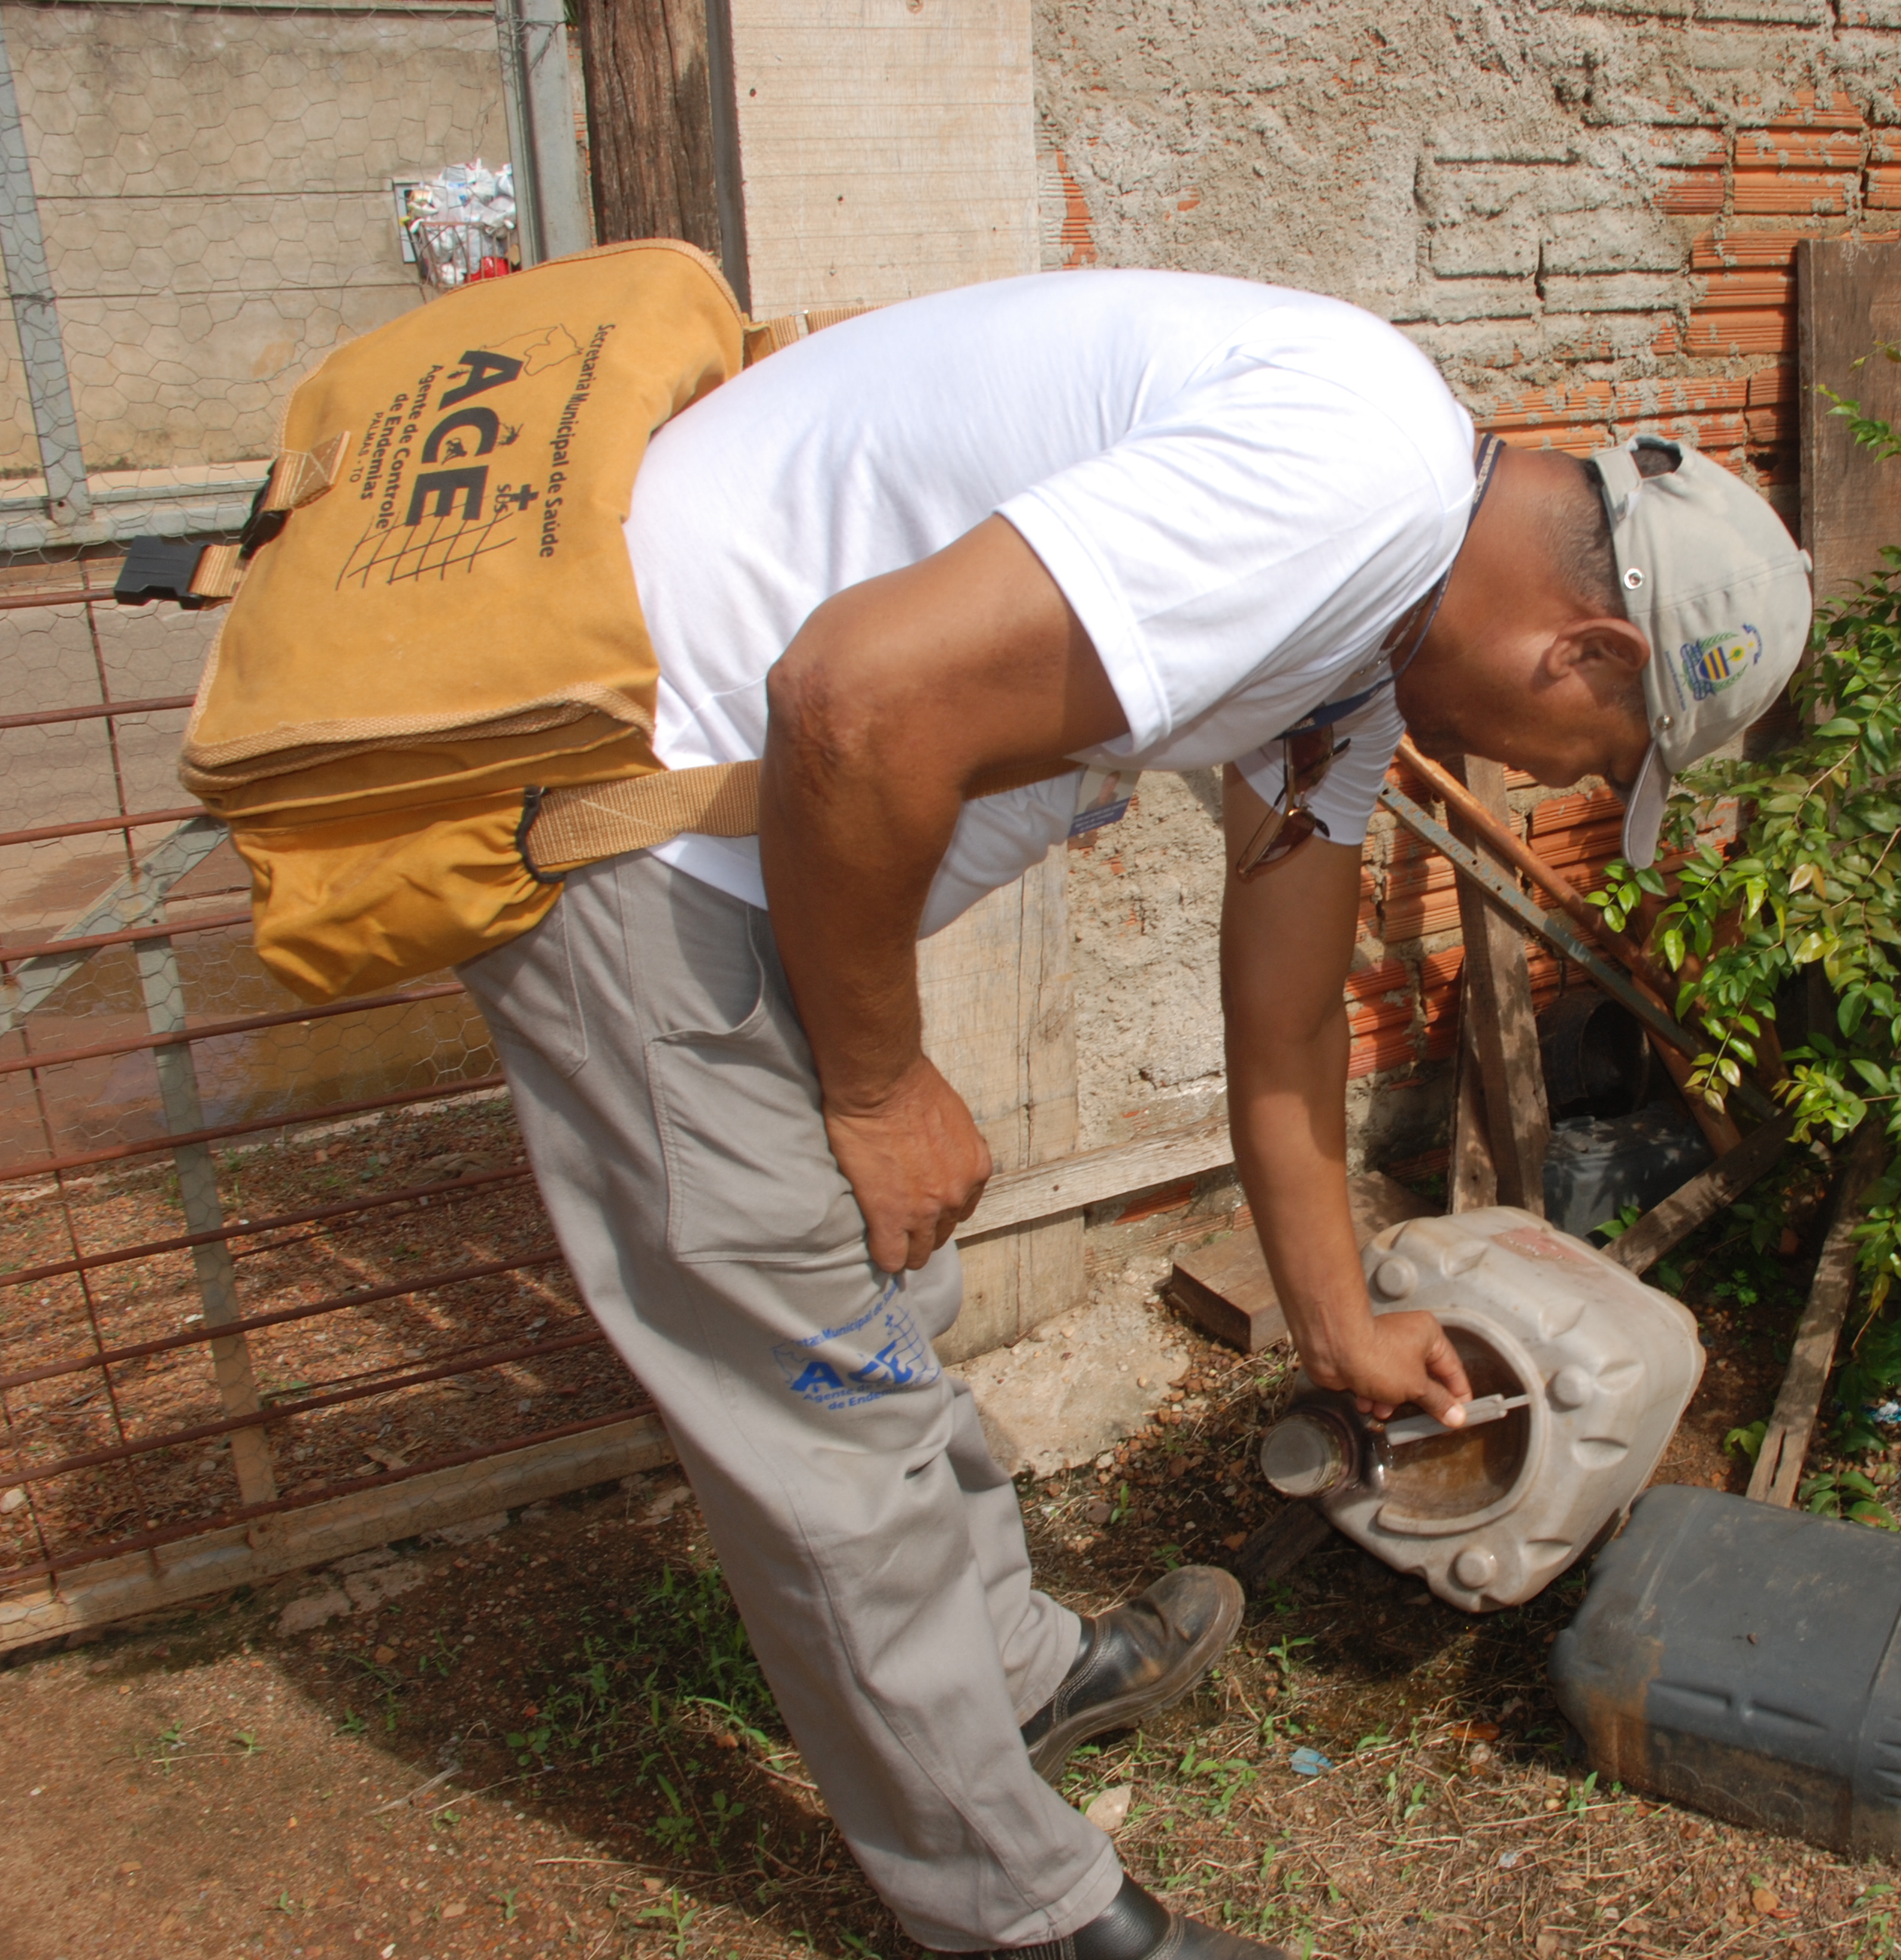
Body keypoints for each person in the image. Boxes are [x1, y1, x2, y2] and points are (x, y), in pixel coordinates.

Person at [459, 268, 1810, 1959]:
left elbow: (1286, 1010)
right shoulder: (1340, 483)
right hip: (632, 839)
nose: (1562, 790)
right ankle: (1021, 1917)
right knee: (817, 1388)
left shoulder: (1370, 620)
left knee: (882, 1318)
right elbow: (853, 701)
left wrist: (1337, 1324)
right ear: (1585, 646)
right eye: (1601, 753)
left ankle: (1011, 1678)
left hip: (747, 842)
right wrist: (877, 1090)